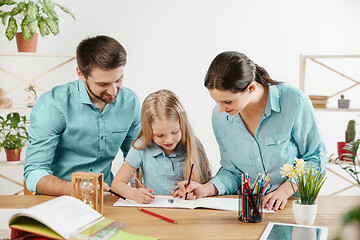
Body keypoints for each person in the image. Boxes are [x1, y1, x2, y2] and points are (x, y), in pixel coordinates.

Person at [174, 51, 326, 211]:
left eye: (227, 101)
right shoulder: (221, 117)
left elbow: (316, 158)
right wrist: (206, 189)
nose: (220, 109)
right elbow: (232, 171)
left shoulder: (294, 101)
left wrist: (283, 192)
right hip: (248, 209)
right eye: (216, 101)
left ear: (251, 87)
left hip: (292, 207)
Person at [24, 35, 141, 196]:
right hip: (57, 200)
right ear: (81, 73)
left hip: (106, 199)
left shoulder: (131, 102)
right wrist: (77, 189)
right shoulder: (53, 105)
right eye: (103, 84)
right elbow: (34, 174)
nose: (113, 91)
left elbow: (139, 158)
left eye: (118, 80)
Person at [111, 89, 211, 203]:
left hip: (186, 210)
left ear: (182, 126)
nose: (168, 140)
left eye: (174, 132)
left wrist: (191, 192)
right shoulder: (141, 147)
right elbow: (117, 184)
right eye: (159, 135)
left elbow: (204, 185)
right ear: (149, 131)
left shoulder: (193, 144)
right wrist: (134, 193)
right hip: (154, 210)